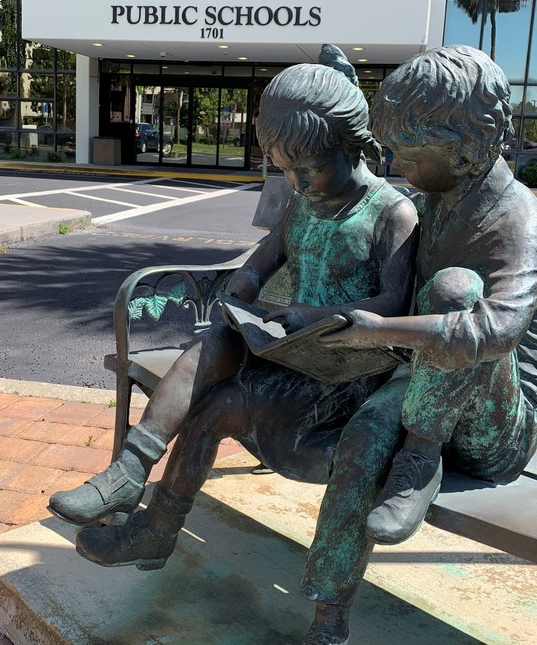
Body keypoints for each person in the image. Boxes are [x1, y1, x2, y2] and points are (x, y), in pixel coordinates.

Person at [47, 45, 419, 645]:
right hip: (294, 365)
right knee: (215, 378)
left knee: (221, 390)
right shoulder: (302, 207)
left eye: (310, 169)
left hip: (349, 381)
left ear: (354, 145)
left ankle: (141, 495)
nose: (297, 184)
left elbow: (393, 309)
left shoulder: (389, 212)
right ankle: (138, 491)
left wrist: (314, 314)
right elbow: (254, 267)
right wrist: (245, 301)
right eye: (283, 170)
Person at [318, 45, 537, 568]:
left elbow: (496, 331)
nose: (394, 165)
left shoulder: (520, 222)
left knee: (455, 289)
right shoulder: (432, 203)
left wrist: (379, 330)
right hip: (423, 383)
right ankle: (327, 612)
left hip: (498, 430)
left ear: (459, 148)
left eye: (406, 153)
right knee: (362, 440)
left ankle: (422, 458)